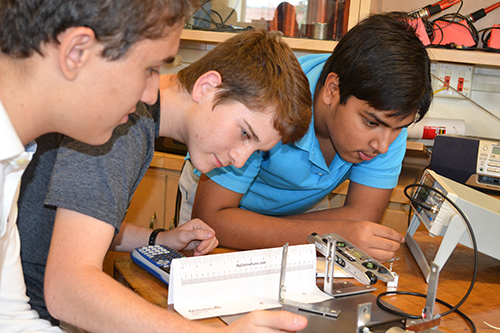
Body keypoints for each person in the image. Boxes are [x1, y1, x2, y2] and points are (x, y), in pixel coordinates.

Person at [17, 29, 312, 332]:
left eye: (256, 151)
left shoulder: (140, 125)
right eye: (245, 133)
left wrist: (158, 239)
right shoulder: (123, 127)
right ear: (207, 87)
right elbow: (68, 288)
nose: (239, 159)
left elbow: (73, 220)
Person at [0, 0, 192, 331]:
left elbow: (12, 317)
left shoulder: (13, 159)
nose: (151, 94)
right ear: (77, 52)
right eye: (149, 69)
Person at [180, 13, 434, 262]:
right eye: (370, 122)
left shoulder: (389, 120)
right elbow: (212, 220)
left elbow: (361, 219)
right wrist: (330, 233)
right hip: (223, 210)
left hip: (301, 215)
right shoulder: (272, 103)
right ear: (332, 90)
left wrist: (308, 233)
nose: (383, 145)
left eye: (398, 128)